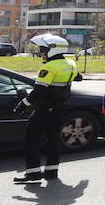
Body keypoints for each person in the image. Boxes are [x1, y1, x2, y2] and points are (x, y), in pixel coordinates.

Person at [13, 33, 78, 183]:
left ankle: (33, 173)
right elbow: (78, 76)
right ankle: (51, 172)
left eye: (43, 49)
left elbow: (38, 92)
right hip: (60, 110)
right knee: (54, 140)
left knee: (32, 140)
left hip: (45, 110)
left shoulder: (49, 67)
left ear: (53, 49)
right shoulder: (70, 63)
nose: (41, 53)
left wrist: (22, 105)